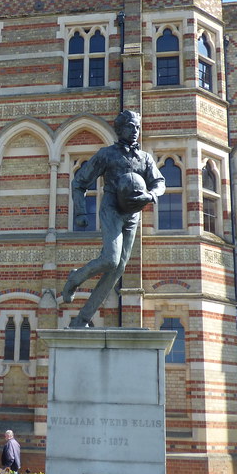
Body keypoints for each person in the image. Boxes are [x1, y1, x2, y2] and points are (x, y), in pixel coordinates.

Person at [61, 109, 165, 328]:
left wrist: (151, 195)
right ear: (120, 129)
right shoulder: (107, 154)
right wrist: (80, 212)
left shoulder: (144, 158)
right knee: (111, 259)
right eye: (130, 126)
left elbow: (159, 182)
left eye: (137, 126)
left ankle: (82, 318)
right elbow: (79, 182)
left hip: (133, 212)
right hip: (111, 208)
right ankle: (75, 278)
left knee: (118, 269)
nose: (135, 131)